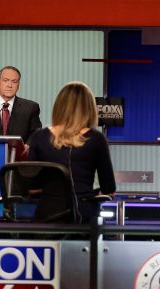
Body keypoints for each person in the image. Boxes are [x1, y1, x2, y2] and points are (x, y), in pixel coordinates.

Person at [28, 81, 116, 224]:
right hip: (84, 216)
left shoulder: (39, 137)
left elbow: (33, 189)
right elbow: (109, 191)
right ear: (89, 108)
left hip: (47, 216)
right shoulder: (96, 139)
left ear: (59, 106)